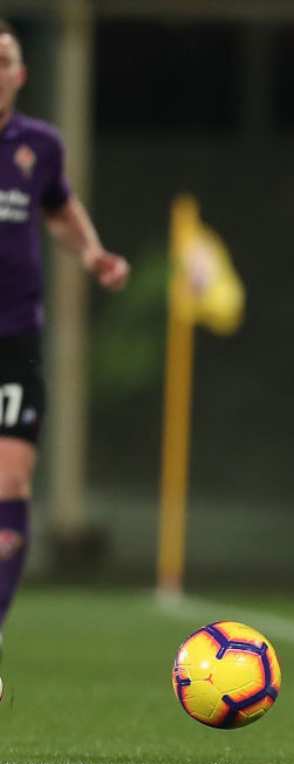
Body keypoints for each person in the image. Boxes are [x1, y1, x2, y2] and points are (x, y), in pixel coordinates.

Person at [0, 21, 130, 654]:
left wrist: (93, 253)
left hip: (15, 335)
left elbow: (57, 206)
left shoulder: (39, 145)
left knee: (12, 482)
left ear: (20, 75)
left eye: (4, 59)